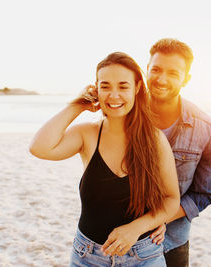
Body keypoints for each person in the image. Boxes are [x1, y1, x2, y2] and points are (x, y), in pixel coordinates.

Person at [29, 52, 180, 266]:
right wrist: (78, 105)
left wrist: (136, 228)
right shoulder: (87, 135)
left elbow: (171, 199)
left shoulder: (154, 140)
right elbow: (39, 147)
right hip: (87, 256)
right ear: (96, 89)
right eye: (106, 86)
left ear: (137, 88)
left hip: (143, 256)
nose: (114, 95)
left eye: (123, 86)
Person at [147, 38, 211, 266]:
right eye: (156, 69)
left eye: (173, 73)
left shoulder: (206, 129)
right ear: (145, 69)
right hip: (123, 238)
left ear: (186, 79)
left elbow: (204, 194)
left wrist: (160, 218)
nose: (161, 79)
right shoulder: (125, 116)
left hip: (172, 241)